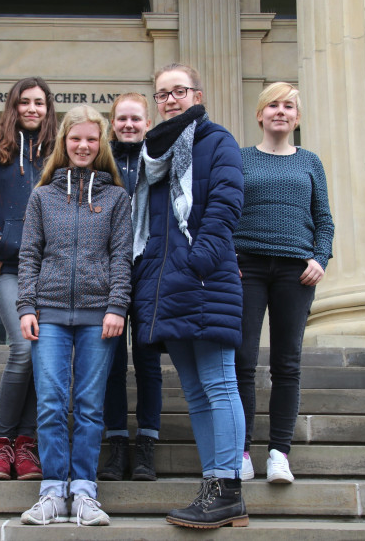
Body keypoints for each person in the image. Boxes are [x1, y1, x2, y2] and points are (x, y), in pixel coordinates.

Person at [130, 63, 248, 529]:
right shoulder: (151, 154)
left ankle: (229, 489)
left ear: (198, 95)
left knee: (220, 385)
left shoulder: (218, 142)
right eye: (162, 94)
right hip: (165, 289)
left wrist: (197, 263)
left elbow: (225, 207)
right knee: (197, 395)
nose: (171, 100)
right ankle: (213, 486)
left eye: (179, 91)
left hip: (203, 281)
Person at [17, 105, 133, 526]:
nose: (83, 146)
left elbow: (121, 258)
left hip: (98, 315)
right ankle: (52, 491)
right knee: (50, 403)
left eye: (91, 139)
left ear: (100, 144)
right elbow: (28, 255)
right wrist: (26, 306)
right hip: (47, 315)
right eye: (75, 138)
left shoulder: (116, 197)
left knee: (88, 406)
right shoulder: (43, 195)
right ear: (63, 143)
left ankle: (83, 491)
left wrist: (117, 306)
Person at [234, 82, 334, 484]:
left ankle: (279, 453)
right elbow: (221, 212)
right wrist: (226, 257)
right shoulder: (239, 158)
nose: (280, 111)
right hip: (247, 268)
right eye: (272, 105)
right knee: (242, 362)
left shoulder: (310, 161)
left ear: (297, 117)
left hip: (297, 271)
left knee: (287, 364)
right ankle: (241, 451)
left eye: (288, 106)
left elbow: (324, 219)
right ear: (259, 114)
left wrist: (320, 258)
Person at [0, 77, 57, 481]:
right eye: (25, 102)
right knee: (22, 347)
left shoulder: (60, 154)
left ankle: (27, 445)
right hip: (8, 268)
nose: (32, 109)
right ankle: (2, 444)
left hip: (52, 272)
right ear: (13, 107)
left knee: (41, 354)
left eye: (39, 102)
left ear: (48, 108)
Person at [99, 93, 163, 482]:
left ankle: (146, 446)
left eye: (136, 118)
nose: (128, 124)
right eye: (121, 118)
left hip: (150, 269)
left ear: (148, 123)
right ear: (112, 122)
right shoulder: (100, 161)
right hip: (105, 271)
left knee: (148, 360)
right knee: (111, 363)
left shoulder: (161, 159)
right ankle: (117, 443)